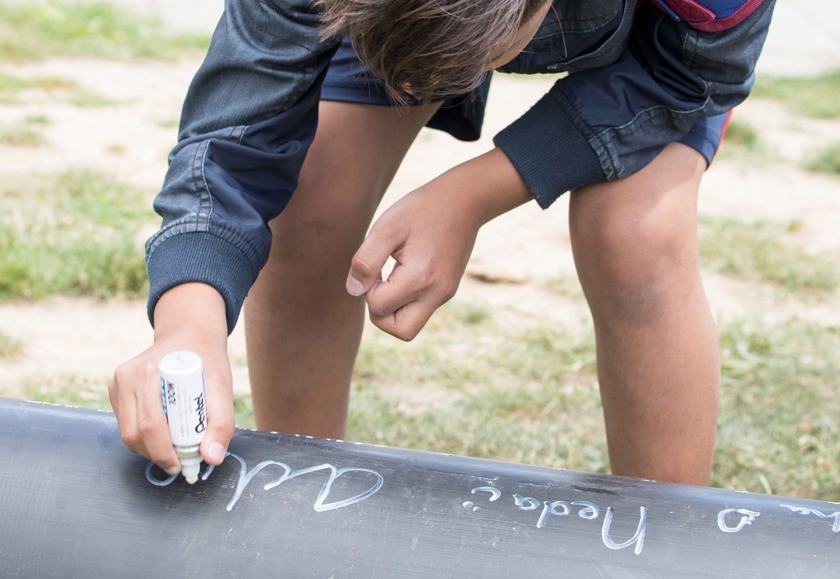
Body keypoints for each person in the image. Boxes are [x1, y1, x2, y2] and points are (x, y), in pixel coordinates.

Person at [109, 0, 776, 485]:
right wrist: (187, 322)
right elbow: (235, 135)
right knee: (317, 192)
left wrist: (473, 193)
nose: (413, 89)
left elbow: (690, 76)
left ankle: (660, 547)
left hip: (657, 48)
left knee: (632, 232)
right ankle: (306, 495)